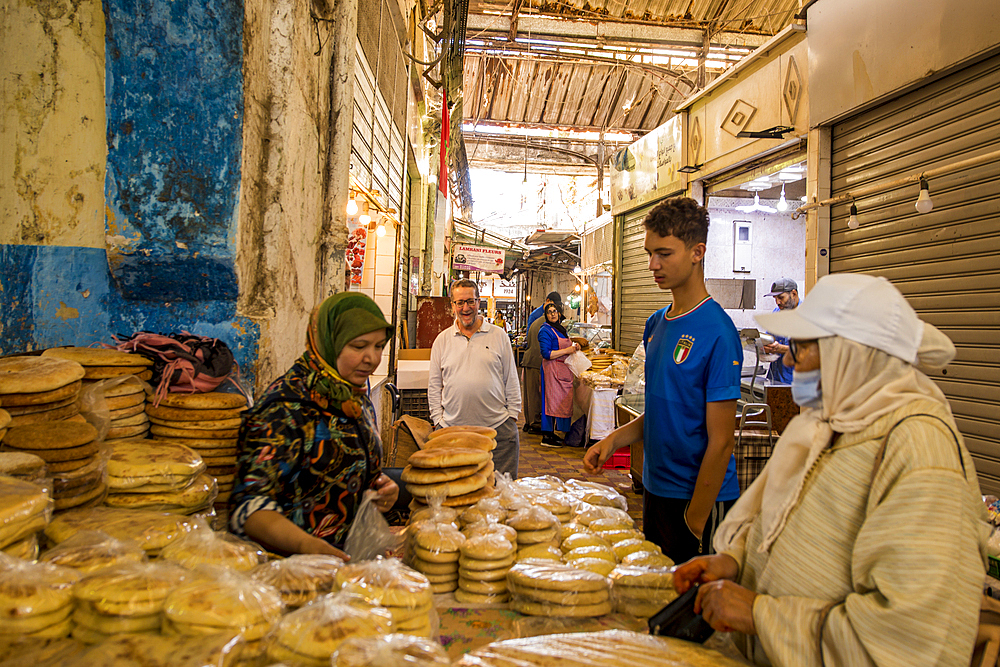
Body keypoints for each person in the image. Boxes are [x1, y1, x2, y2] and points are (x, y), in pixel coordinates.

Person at [673, 273, 989, 667]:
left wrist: (760, 613)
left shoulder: (919, 450)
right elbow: (782, 519)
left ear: (850, 356)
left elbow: (911, 637)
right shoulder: (824, 424)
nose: (788, 359)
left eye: (802, 349)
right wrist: (738, 562)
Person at [583, 197, 742, 564]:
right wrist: (612, 441)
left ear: (697, 252)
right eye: (649, 253)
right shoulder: (657, 324)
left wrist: (696, 520)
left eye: (664, 253)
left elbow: (721, 443)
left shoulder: (717, 332)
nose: (653, 265)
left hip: (698, 500)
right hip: (656, 493)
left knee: (692, 612)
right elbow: (663, 411)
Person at [230, 293, 400, 558]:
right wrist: (304, 545)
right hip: (294, 572)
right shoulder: (284, 407)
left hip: (348, 565)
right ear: (328, 342)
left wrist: (380, 487)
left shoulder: (352, 398)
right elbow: (250, 507)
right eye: (358, 346)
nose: (372, 358)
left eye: (379, 346)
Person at [428, 279, 522, 478]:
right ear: (452, 306)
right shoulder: (442, 340)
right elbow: (434, 385)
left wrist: (511, 416)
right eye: (460, 302)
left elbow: (511, 379)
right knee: (457, 494)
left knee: (501, 495)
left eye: (471, 301)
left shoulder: (499, 336)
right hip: (453, 431)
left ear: (479, 302)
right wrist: (438, 419)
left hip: (498, 430)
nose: (466, 308)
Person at [538, 301, 581, 448]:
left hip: (562, 371)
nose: (553, 314)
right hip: (551, 371)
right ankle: (547, 434)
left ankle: (556, 432)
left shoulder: (561, 329)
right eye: (549, 312)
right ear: (546, 315)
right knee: (550, 402)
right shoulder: (544, 331)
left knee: (560, 402)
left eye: (555, 311)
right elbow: (546, 353)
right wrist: (567, 351)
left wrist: (574, 347)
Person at [520, 292, 561, 435]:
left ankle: (529, 422)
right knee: (535, 394)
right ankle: (534, 424)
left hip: (531, 359)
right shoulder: (544, 323)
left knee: (530, 394)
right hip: (536, 360)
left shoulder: (540, 320)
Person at [761, 278, 799, 384]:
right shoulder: (777, 312)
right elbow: (769, 339)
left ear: (793, 294)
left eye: (781, 297)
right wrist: (763, 348)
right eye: (775, 298)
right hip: (775, 378)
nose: (778, 302)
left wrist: (779, 348)